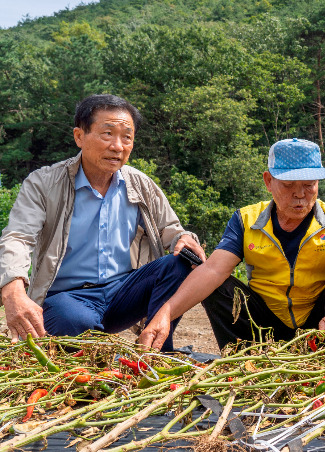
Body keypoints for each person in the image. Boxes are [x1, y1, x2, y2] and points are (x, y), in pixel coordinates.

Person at [0, 94, 205, 351]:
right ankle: (99, 355)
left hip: (123, 293)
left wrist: (183, 238)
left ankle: (157, 351)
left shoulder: (140, 184)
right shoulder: (43, 183)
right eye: (107, 134)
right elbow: (18, 237)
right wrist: (13, 288)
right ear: (79, 136)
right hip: (67, 299)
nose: (117, 146)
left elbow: (171, 231)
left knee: (179, 263)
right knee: (75, 320)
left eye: (126, 137)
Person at [138, 138, 325, 350]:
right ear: (268, 181)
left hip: (316, 322)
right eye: (288, 185)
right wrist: (165, 314)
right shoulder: (246, 219)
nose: (300, 194)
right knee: (213, 283)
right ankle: (241, 355)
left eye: (309, 185)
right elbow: (214, 269)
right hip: (261, 324)